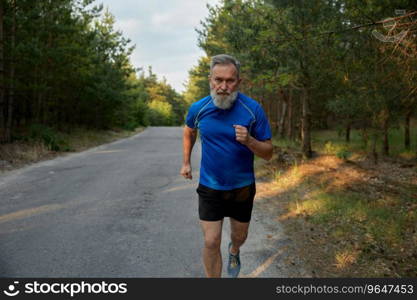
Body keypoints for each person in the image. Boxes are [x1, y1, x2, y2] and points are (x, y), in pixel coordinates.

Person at [180, 54, 273, 278]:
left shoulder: (253, 110)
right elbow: (189, 130)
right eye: (218, 80)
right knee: (211, 242)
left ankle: (234, 250)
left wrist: (250, 140)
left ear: (238, 82)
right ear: (210, 80)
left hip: (242, 188)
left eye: (229, 81)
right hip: (210, 186)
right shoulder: (198, 108)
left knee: (240, 236)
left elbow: (269, 153)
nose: (223, 86)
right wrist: (186, 162)